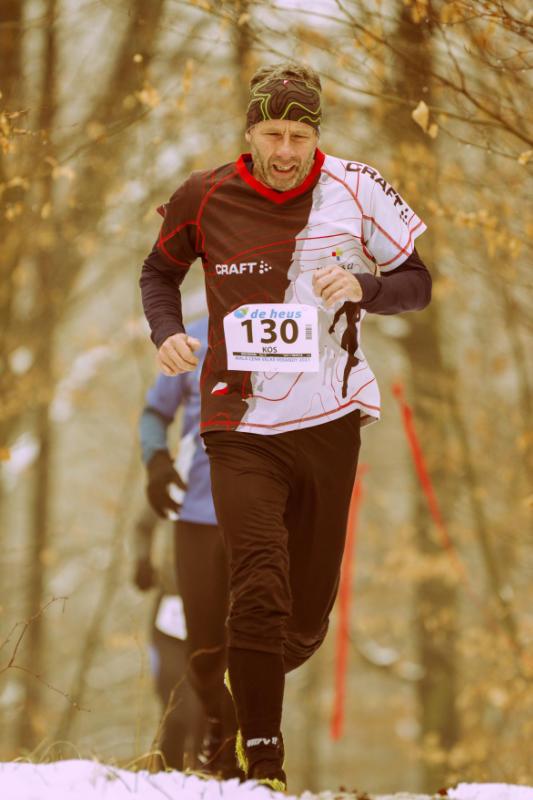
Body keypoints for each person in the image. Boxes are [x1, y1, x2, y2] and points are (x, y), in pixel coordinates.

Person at [139, 62, 432, 790]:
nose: (285, 150)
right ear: (250, 132)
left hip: (329, 420)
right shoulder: (204, 195)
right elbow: (158, 272)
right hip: (237, 422)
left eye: (299, 136)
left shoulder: (358, 188)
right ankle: (262, 761)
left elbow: (418, 283)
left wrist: (364, 286)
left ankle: (235, 670)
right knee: (259, 584)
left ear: (316, 135)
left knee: (302, 623)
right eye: (272, 133)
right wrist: (167, 332)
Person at [138, 315, 241, 779]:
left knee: (247, 662)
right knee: (188, 685)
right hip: (191, 542)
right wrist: (156, 459)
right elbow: (153, 413)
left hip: (261, 524)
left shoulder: (293, 329)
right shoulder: (192, 340)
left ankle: (238, 768)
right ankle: (174, 775)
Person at [131, 503, 204, 771]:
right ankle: (167, 775)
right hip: (170, 606)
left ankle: (204, 775)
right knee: (173, 701)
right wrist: (143, 562)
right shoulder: (177, 482)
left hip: (216, 608)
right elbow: (143, 525)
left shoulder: (237, 483)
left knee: (205, 705)